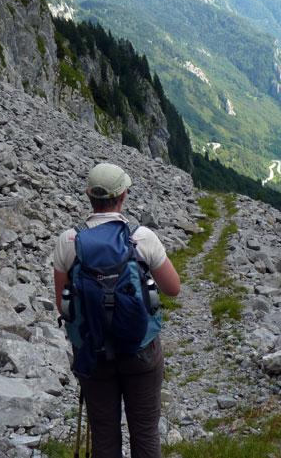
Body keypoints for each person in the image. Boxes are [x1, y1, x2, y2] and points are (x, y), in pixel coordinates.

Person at [53, 162, 181, 458]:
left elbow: (63, 304)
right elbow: (173, 288)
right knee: (146, 432)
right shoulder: (142, 237)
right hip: (141, 348)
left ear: (89, 196)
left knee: (104, 436)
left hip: (92, 350)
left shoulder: (69, 241)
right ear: (123, 195)